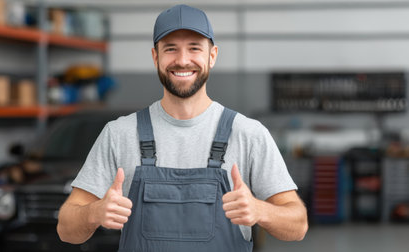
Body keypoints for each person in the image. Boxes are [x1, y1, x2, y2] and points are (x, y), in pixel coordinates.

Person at [57, 4, 308, 251]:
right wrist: (94, 212)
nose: (183, 60)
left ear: (212, 55)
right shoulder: (119, 134)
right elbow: (66, 229)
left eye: (194, 48)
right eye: (171, 49)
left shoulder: (249, 135)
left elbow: (298, 225)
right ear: (156, 57)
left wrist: (259, 210)